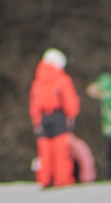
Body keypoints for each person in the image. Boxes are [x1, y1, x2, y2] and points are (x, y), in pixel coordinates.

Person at [30, 48, 83, 188]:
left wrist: (36, 121)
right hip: (58, 116)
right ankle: (62, 179)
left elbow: (34, 104)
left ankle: (45, 179)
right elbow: (70, 101)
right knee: (61, 150)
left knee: (44, 150)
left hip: (43, 118)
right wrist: (71, 114)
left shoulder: (38, 82)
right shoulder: (62, 80)